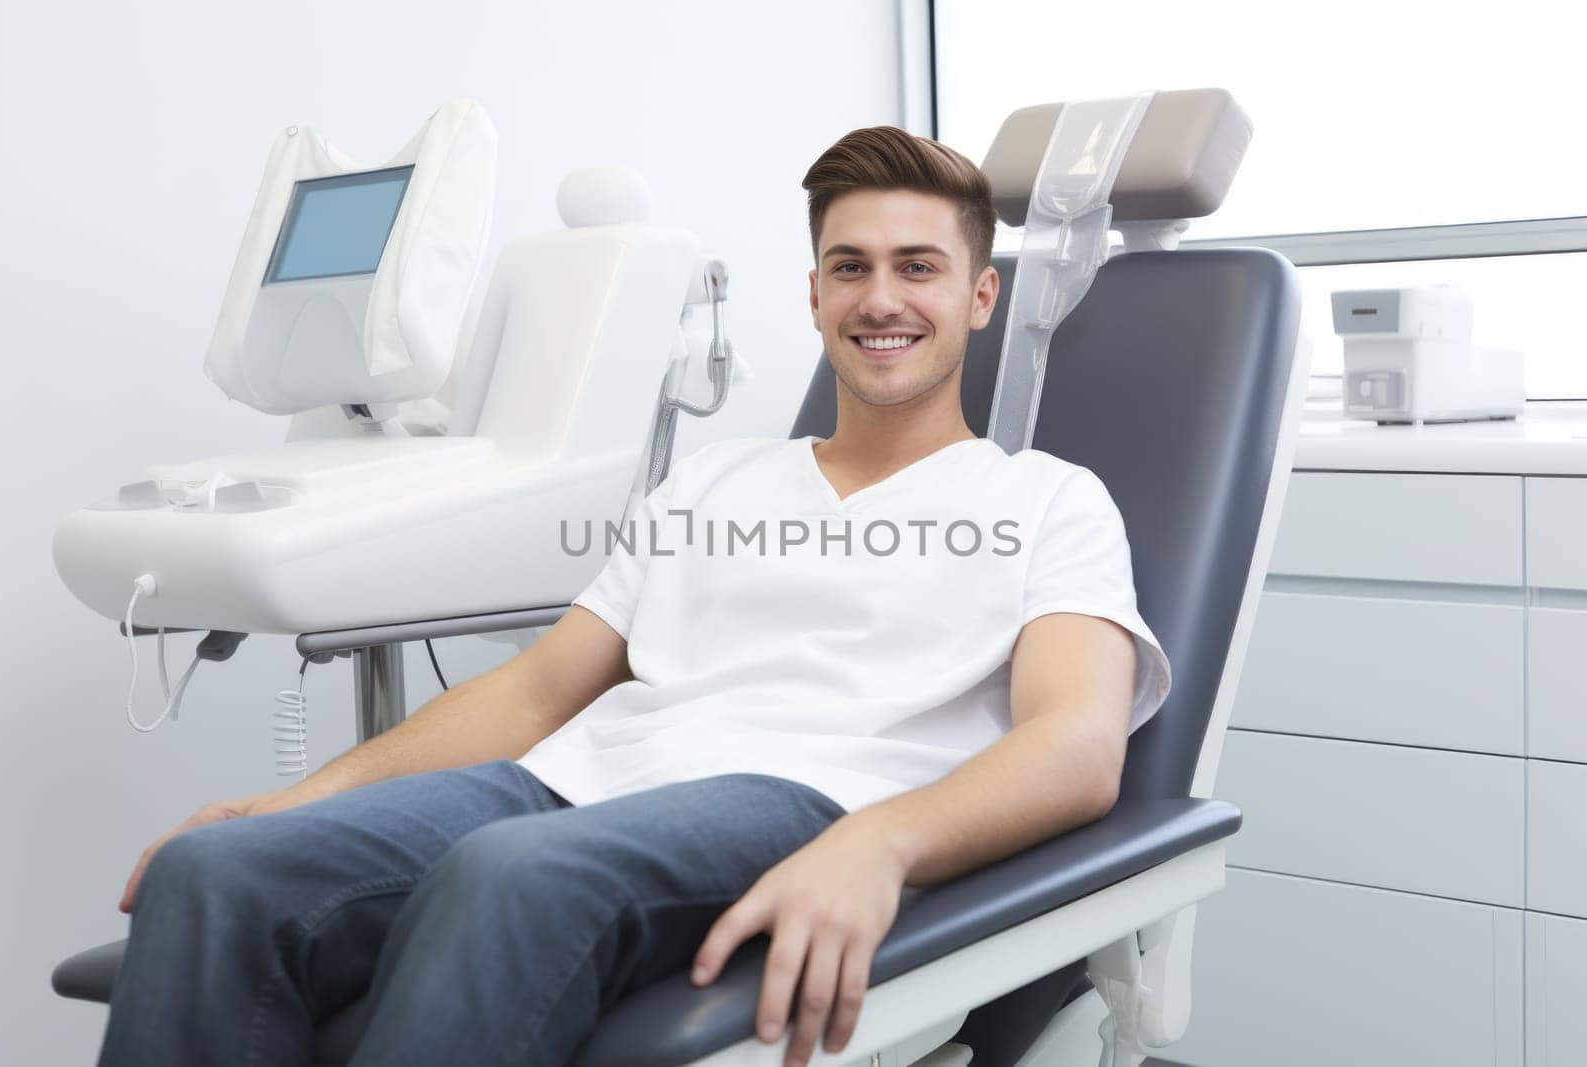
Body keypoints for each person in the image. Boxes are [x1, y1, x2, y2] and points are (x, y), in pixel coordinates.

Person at [99, 126, 1171, 1067]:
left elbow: (1076, 744)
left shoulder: (1044, 499)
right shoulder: (712, 477)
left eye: (918, 266)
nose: (880, 297)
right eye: (849, 265)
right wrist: (310, 794)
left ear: (980, 296)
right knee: (215, 872)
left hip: (798, 798)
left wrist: (881, 841)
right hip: (567, 783)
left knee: (511, 878)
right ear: (813, 294)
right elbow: (533, 692)